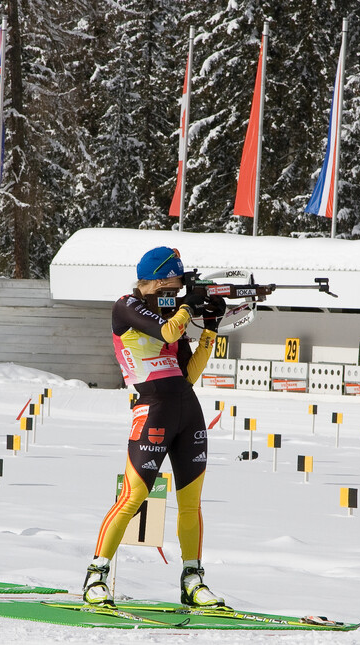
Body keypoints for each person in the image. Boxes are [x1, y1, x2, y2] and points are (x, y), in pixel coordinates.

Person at [82, 246, 227, 609]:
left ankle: (192, 579)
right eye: (176, 282)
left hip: (187, 411)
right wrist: (188, 307)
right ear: (160, 278)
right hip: (153, 411)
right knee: (133, 496)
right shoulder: (125, 306)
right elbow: (165, 332)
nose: (179, 289)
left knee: (191, 504)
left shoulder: (172, 312)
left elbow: (189, 374)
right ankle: (96, 574)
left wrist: (210, 329)